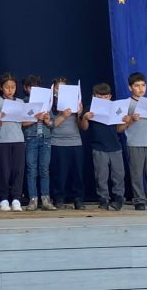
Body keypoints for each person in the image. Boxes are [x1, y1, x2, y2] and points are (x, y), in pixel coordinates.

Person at [80, 82, 127, 211]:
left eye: (106, 97)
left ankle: (118, 198)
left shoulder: (116, 108)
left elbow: (119, 129)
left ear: (110, 96)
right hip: (99, 147)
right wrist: (85, 118)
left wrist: (127, 122)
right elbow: (84, 128)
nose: (103, 99)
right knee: (101, 176)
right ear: (94, 97)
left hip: (115, 146)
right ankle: (103, 199)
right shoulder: (90, 109)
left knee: (118, 175)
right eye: (99, 97)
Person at [124, 72, 147, 211]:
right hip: (134, 142)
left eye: (143, 85)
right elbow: (121, 126)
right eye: (137, 85)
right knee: (136, 173)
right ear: (130, 87)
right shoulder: (127, 103)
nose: (141, 88)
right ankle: (139, 200)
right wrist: (131, 119)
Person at [0, 72, 26, 212]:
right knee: (4, 171)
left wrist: (35, 116)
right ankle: (4, 199)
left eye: (13, 87)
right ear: (1, 87)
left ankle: (16, 198)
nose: (10, 90)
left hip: (18, 140)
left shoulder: (20, 102)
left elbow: (23, 122)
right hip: (2, 140)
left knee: (18, 170)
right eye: (7, 87)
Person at [50, 77, 85, 210]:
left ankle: (78, 199)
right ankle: (58, 198)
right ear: (53, 90)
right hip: (58, 142)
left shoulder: (74, 102)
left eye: (63, 88)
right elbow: (51, 125)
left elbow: (80, 125)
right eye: (58, 88)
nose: (60, 91)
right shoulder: (50, 104)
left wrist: (80, 114)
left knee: (78, 173)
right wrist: (63, 116)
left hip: (75, 141)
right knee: (59, 173)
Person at [22, 74, 54, 211]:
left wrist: (47, 120)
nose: (33, 90)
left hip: (45, 139)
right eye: (31, 87)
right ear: (26, 88)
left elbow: (52, 124)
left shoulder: (46, 102)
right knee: (31, 169)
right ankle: (33, 199)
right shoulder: (24, 102)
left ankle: (46, 199)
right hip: (31, 138)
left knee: (44, 169)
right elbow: (22, 123)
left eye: (36, 88)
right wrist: (35, 118)